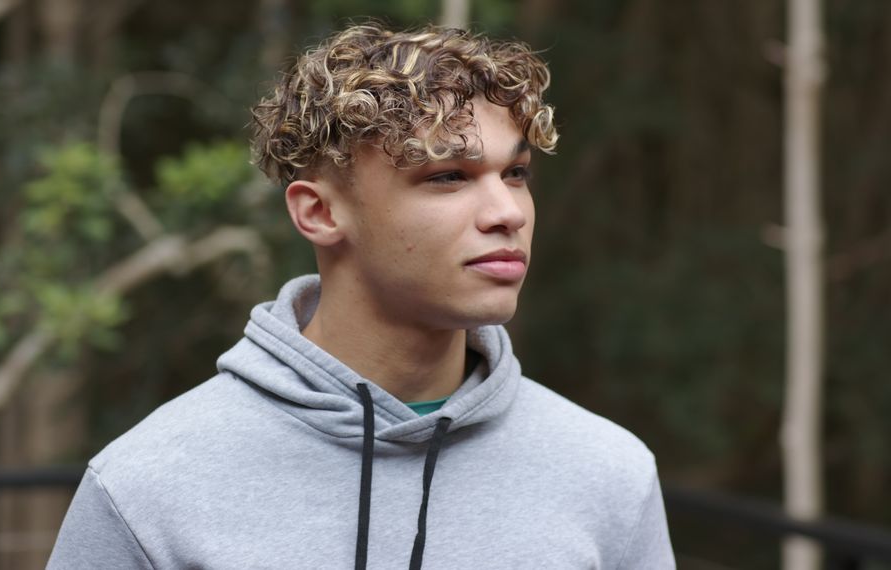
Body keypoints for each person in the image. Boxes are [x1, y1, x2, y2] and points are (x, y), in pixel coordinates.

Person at [48, 23, 675, 569]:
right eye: (448, 176)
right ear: (319, 212)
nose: (507, 211)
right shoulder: (148, 487)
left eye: (515, 174)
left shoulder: (608, 474)